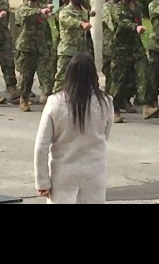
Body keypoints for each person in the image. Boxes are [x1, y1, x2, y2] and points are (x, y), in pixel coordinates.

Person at [34, 52, 114, 204]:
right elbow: (106, 134)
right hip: (94, 173)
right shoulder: (106, 102)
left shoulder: (55, 102)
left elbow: (41, 146)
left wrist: (43, 181)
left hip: (63, 174)